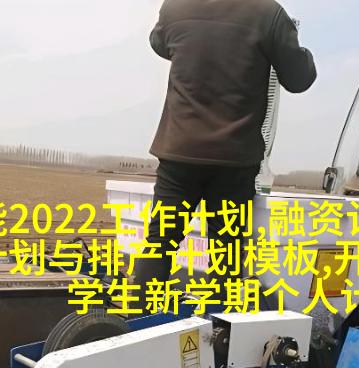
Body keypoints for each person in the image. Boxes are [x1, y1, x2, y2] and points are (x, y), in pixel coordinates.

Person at [134, 0, 317, 312]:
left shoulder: (176, 6)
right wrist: (298, 50)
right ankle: (218, 330)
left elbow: (159, 43)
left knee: (160, 241)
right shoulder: (269, 14)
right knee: (226, 252)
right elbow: (299, 79)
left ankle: (136, 321)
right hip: (234, 159)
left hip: (179, 151)